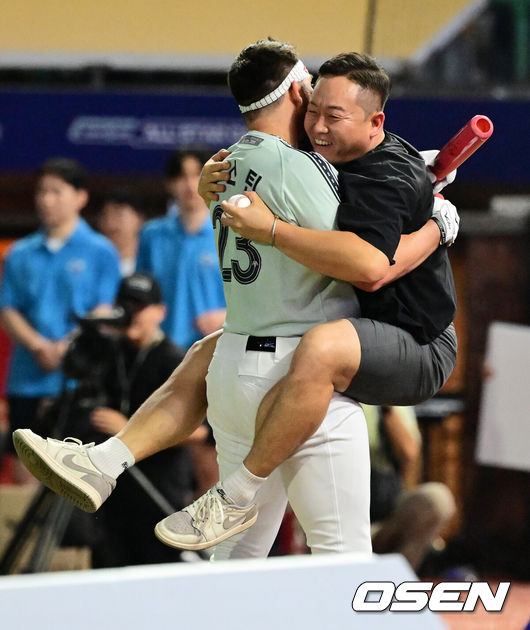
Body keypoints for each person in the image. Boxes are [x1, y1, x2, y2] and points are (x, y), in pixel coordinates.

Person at [12, 42, 458, 557]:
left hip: (234, 371)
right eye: (313, 105)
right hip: (299, 375)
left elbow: (364, 180)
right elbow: (367, 260)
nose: (317, 124)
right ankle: (217, 488)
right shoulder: (303, 169)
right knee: (342, 558)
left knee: (235, 567)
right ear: (296, 91)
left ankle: (106, 461)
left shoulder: (228, 163)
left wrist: (412, 178)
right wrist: (432, 220)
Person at [0, 158, 121, 478]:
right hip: (27, 377)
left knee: (72, 472)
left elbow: (103, 311)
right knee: (25, 466)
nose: (46, 199)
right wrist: (39, 346)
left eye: (56, 191)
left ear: (80, 197)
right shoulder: (20, 252)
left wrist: (64, 348)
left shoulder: (101, 250)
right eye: (41, 192)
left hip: (77, 381)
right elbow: (8, 308)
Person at [84, 273, 206, 566]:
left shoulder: (175, 359)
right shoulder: (110, 355)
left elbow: (200, 432)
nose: (132, 314)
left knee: (156, 568)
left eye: (140, 306)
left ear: (160, 312)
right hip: (112, 492)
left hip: (158, 490)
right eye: (125, 305)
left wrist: (127, 432)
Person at [136, 150, 226, 350]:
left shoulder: (231, 232)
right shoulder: (151, 235)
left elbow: (255, 297)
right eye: (181, 177)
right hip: (160, 349)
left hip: (215, 348)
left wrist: (226, 316)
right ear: (169, 183)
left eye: (197, 174)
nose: (189, 184)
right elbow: (140, 295)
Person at [364, 404, 456, 570]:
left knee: (438, 499)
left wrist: (385, 404)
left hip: (382, 521)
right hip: (340, 527)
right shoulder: (329, 394)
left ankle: (396, 579)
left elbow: (409, 451)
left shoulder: (388, 396)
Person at [97, 187, 145, 277]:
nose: (110, 223)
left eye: (118, 215)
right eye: (105, 216)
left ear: (139, 220)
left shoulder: (148, 264)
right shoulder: (92, 264)